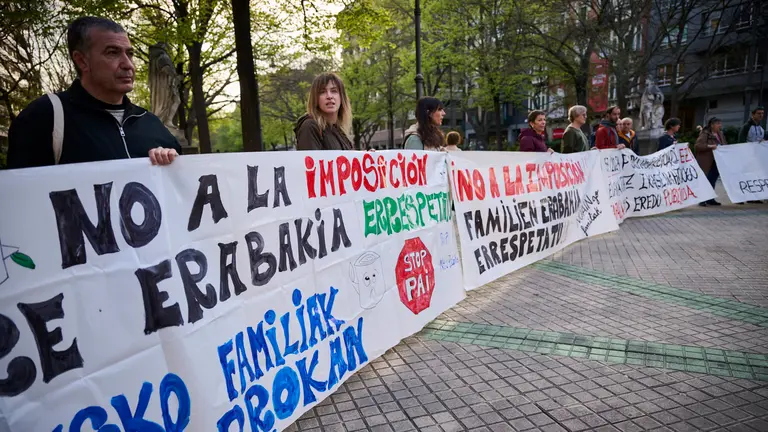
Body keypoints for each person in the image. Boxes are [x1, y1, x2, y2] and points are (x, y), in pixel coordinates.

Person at [7, 17, 180, 169]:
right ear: (82, 61)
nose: (129, 65)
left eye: (130, 54)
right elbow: (23, 197)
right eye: (112, 53)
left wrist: (173, 165)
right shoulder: (45, 117)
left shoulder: (151, 123)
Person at [295, 72, 354, 150]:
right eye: (322, 92)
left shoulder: (339, 131)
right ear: (315, 99)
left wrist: (367, 156)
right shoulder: (310, 127)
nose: (329, 96)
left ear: (341, 97)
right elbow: (310, 161)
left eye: (334, 91)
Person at [695, 117, 725, 207]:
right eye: (717, 124)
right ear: (712, 125)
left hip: (717, 161)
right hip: (707, 160)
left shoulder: (720, 134)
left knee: (713, 180)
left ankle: (710, 199)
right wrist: (710, 146)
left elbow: (724, 144)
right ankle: (702, 199)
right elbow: (698, 146)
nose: (720, 125)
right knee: (706, 180)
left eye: (720, 123)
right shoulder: (705, 134)